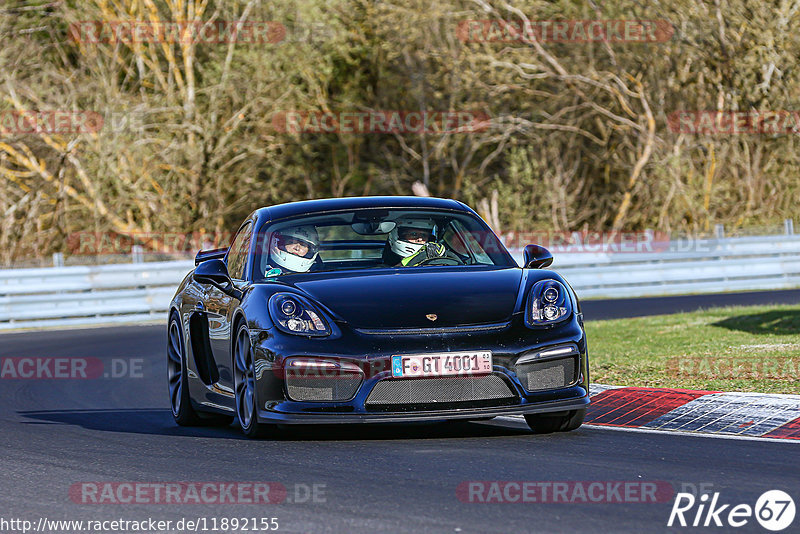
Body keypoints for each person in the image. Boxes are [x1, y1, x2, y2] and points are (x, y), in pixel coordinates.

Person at [382, 216, 454, 267]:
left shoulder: (442, 262)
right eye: (414, 234)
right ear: (397, 235)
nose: (420, 239)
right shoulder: (381, 271)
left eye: (424, 235)